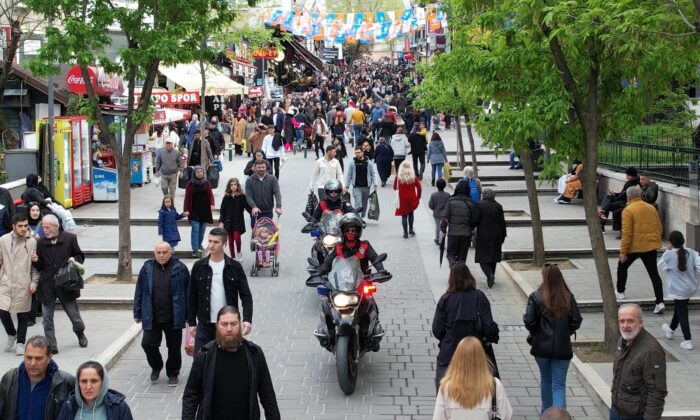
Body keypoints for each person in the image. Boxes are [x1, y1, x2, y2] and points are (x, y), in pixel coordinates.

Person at [182, 306, 280, 420]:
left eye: (233, 324)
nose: (229, 329)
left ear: (240, 326)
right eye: (224, 324)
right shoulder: (205, 355)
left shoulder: (254, 354)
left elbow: (267, 393)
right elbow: (191, 394)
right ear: (217, 326)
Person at [523, 264, 582, 414]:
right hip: (562, 348)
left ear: (544, 278)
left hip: (541, 348)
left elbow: (529, 321)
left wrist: (536, 331)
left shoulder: (536, 296)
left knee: (546, 380)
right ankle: (560, 417)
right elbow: (576, 320)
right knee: (559, 385)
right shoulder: (567, 296)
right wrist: (565, 332)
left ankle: (546, 414)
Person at [432, 263, 500, 390]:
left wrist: (447, 337)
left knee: (443, 380)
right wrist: (493, 336)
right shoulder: (479, 297)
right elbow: (488, 325)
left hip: (451, 348)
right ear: (470, 277)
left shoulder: (446, 299)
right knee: (487, 380)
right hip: (476, 348)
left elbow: (437, 329)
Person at [187, 228, 253, 353]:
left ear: (225, 244)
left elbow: (246, 295)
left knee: (229, 362)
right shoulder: (199, 266)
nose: (211, 245)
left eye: (216, 242)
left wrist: (247, 320)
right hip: (205, 324)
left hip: (228, 325)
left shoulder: (234, 266)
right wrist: (191, 322)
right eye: (210, 241)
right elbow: (192, 295)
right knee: (201, 362)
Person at [134, 242, 190, 386]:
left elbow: (188, 292)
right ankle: (156, 365)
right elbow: (139, 291)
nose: (161, 255)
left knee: (174, 347)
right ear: (154, 253)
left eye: (164, 252)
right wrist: (137, 311)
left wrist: (190, 316)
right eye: (158, 252)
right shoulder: (147, 268)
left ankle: (173, 372)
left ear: (171, 252)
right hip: (151, 315)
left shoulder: (180, 268)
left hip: (174, 315)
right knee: (147, 344)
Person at [34, 214, 87, 354]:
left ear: (56, 226)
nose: (44, 230)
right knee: (47, 319)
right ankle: (51, 345)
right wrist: (35, 260)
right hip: (47, 285)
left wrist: (73, 259)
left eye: (47, 227)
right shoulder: (40, 243)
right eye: (43, 227)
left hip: (66, 283)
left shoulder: (70, 238)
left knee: (74, 316)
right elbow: (40, 266)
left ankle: (80, 333)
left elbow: (80, 256)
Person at [432, 337, 512, 420]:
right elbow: (506, 415)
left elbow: (438, 417)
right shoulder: (494, 385)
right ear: (482, 358)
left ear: (457, 358)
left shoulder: (446, 387)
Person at [611, 304, 667, 420]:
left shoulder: (651, 351)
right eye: (622, 321)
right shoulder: (623, 339)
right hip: (617, 410)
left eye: (630, 321)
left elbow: (657, 391)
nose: (625, 325)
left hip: (636, 415)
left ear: (640, 323)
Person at [0, 335, 75, 419]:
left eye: (38, 358)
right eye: (28, 357)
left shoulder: (64, 383)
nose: (32, 363)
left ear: (49, 358)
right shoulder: (10, 379)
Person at [616, 186, 665, 313]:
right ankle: (660, 302)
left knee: (622, 266)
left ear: (628, 197)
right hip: (650, 247)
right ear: (641, 195)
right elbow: (659, 227)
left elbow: (627, 233)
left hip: (634, 247)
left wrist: (623, 251)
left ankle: (620, 291)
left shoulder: (628, 210)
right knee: (654, 274)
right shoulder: (651, 208)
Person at [0, 213, 39, 355]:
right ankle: (11, 334)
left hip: (24, 282)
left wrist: (34, 282)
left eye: (25, 226)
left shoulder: (32, 241)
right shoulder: (3, 240)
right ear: (13, 227)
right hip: (5, 282)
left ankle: (21, 342)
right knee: (3, 311)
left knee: (23, 315)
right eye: (20, 226)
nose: (23, 229)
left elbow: (35, 266)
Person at [659, 231, 700, 350]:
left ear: (671, 243)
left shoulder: (669, 254)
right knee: (679, 307)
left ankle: (688, 340)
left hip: (678, 289)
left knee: (682, 312)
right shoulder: (691, 252)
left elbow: (660, 266)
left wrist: (668, 251)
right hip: (690, 287)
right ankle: (671, 329)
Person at [57, 361, 133, 419]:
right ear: (78, 384)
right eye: (84, 381)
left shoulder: (118, 407)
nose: (88, 387)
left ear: (103, 383)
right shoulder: (68, 405)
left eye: (94, 381)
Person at [321, 213, 386, 276]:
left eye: (353, 230)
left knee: (371, 287)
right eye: (347, 230)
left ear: (358, 231)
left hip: (363, 281)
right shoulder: (338, 247)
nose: (350, 232)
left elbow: (374, 258)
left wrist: (381, 270)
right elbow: (328, 262)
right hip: (341, 283)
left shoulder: (365, 245)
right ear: (343, 231)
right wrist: (320, 272)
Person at [442, 180, 480, 266]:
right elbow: (475, 219)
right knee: (462, 257)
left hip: (453, 234)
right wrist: (470, 228)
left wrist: (443, 230)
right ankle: (460, 274)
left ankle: (453, 267)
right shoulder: (472, 203)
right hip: (466, 235)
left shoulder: (450, 201)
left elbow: (445, 217)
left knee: (450, 254)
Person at [475, 189, 507, 288]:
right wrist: (503, 235)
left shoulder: (480, 205)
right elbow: (503, 222)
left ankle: (489, 274)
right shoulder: (498, 206)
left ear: (484, 195)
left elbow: (476, 219)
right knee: (493, 257)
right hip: (497, 235)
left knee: (482, 258)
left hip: (483, 234)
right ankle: (491, 276)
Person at [183, 166, 215, 258]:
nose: (200, 173)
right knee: (195, 229)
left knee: (202, 230)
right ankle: (195, 249)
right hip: (194, 211)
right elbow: (187, 198)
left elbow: (210, 195)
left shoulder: (206, 183)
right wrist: (186, 210)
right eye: (198, 172)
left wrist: (212, 204)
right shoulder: (190, 184)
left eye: (201, 171)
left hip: (205, 211)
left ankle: (199, 244)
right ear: (194, 173)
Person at [219, 178, 252, 260]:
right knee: (230, 240)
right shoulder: (226, 197)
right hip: (228, 221)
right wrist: (221, 221)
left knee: (237, 238)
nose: (233, 186)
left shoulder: (242, 196)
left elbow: (247, 207)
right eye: (231, 185)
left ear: (237, 186)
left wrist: (253, 211)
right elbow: (222, 210)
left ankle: (239, 252)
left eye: (235, 184)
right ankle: (233, 257)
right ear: (229, 186)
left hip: (238, 221)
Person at [245, 160, 283, 229]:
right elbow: (248, 195)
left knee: (267, 233)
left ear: (266, 167)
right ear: (255, 168)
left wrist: (278, 206)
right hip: (255, 211)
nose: (261, 169)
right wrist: (253, 206)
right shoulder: (250, 180)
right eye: (259, 167)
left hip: (267, 210)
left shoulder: (272, 178)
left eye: (263, 167)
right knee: (255, 232)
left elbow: (277, 193)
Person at [345, 145, 378, 221]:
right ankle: (358, 218)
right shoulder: (352, 163)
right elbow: (349, 175)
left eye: (359, 152)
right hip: (356, 187)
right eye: (356, 153)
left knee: (364, 204)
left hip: (366, 187)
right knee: (358, 203)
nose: (357, 154)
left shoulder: (368, 163)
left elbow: (373, 173)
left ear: (363, 152)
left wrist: (375, 185)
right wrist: (347, 186)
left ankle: (363, 216)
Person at [393, 160, 422, 239]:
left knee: (404, 215)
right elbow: (419, 187)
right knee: (411, 213)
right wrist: (418, 197)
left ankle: (405, 233)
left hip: (402, 199)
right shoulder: (413, 177)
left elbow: (394, 187)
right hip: (411, 198)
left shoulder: (398, 177)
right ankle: (411, 230)